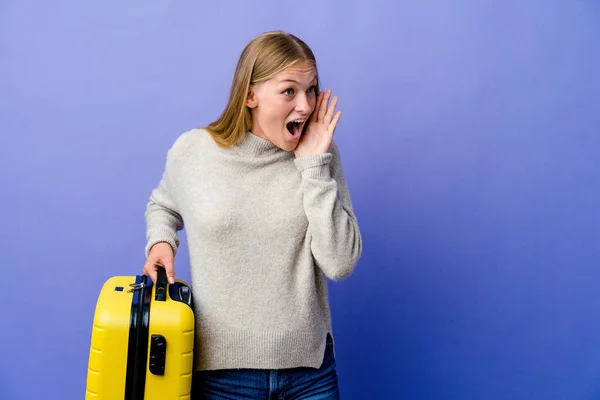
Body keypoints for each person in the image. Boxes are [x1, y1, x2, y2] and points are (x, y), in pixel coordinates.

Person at [142, 30, 362, 399]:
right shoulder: (194, 151)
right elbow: (163, 203)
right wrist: (161, 240)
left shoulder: (320, 154)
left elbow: (339, 263)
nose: (306, 106)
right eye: (289, 90)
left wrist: (312, 166)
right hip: (221, 378)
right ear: (249, 95)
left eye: (311, 89)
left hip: (310, 374)